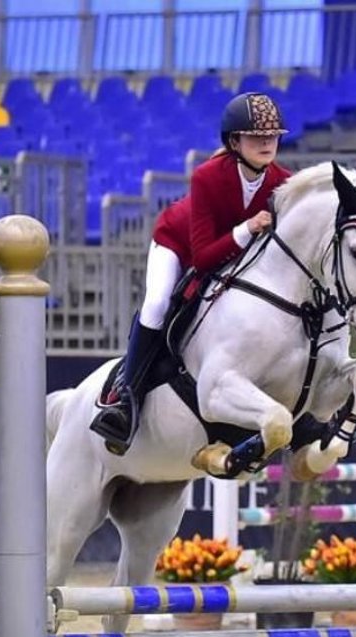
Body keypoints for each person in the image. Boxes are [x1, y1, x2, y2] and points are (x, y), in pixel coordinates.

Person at [91, 92, 292, 454]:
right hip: (179, 244)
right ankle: (125, 397)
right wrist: (247, 228)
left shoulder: (283, 183)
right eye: (256, 136)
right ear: (234, 141)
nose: (267, 143)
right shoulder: (208, 177)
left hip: (232, 256)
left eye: (273, 136)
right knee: (156, 305)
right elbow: (201, 258)